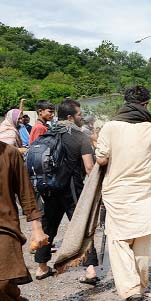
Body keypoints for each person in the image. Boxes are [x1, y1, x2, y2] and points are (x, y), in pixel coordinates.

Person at [95, 85, 151, 301]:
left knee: (119, 241)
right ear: (146, 104)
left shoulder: (110, 127)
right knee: (142, 241)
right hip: (144, 192)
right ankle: (141, 287)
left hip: (116, 193)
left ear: (125, 102)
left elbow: (102, 159)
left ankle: (131, 291)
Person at [33, 99, 99, 284]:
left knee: (48, 227)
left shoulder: (47, 133)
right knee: (83, 228)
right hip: (72, 190)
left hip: (50, 189)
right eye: (79, 114)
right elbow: (89, 167)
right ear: (70, 116)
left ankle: (42, 267)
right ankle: (90, 270)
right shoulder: (80, 137)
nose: (81, 117)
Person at [0, 140, 49, 301]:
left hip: (4, 226)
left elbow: (25, 192)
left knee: (2, 282)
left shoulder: (9, 153)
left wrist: (37, 228)